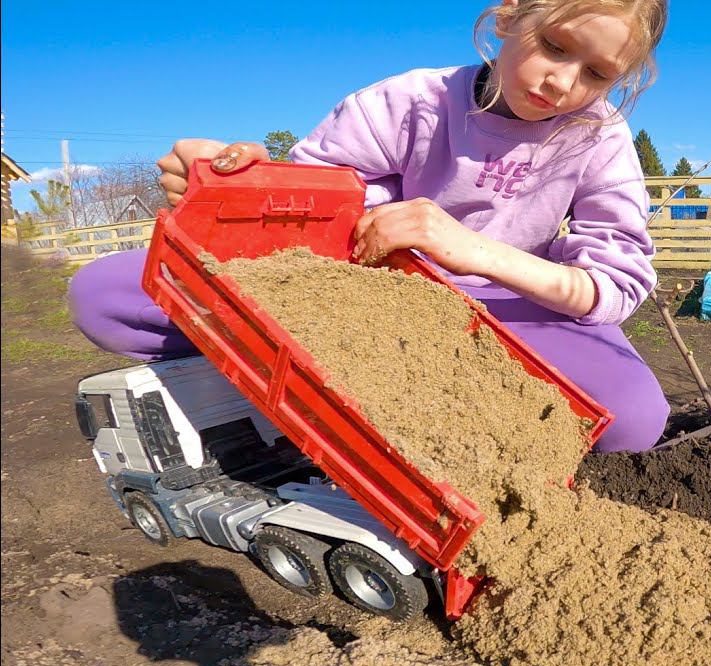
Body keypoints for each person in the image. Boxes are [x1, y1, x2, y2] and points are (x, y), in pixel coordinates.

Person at [67, 0, 671, 453]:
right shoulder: (412, 100)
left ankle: (344, 396)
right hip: (367, 291)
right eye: (557, 46)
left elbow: (614, 286)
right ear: (508, 17)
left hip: (504, 311)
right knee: (106, 296)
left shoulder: (599, 137)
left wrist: (473, 251)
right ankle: (355, 391)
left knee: (635, 417)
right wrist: (235, 179)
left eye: (596, 73)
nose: (564, 82)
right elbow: (311, 202)